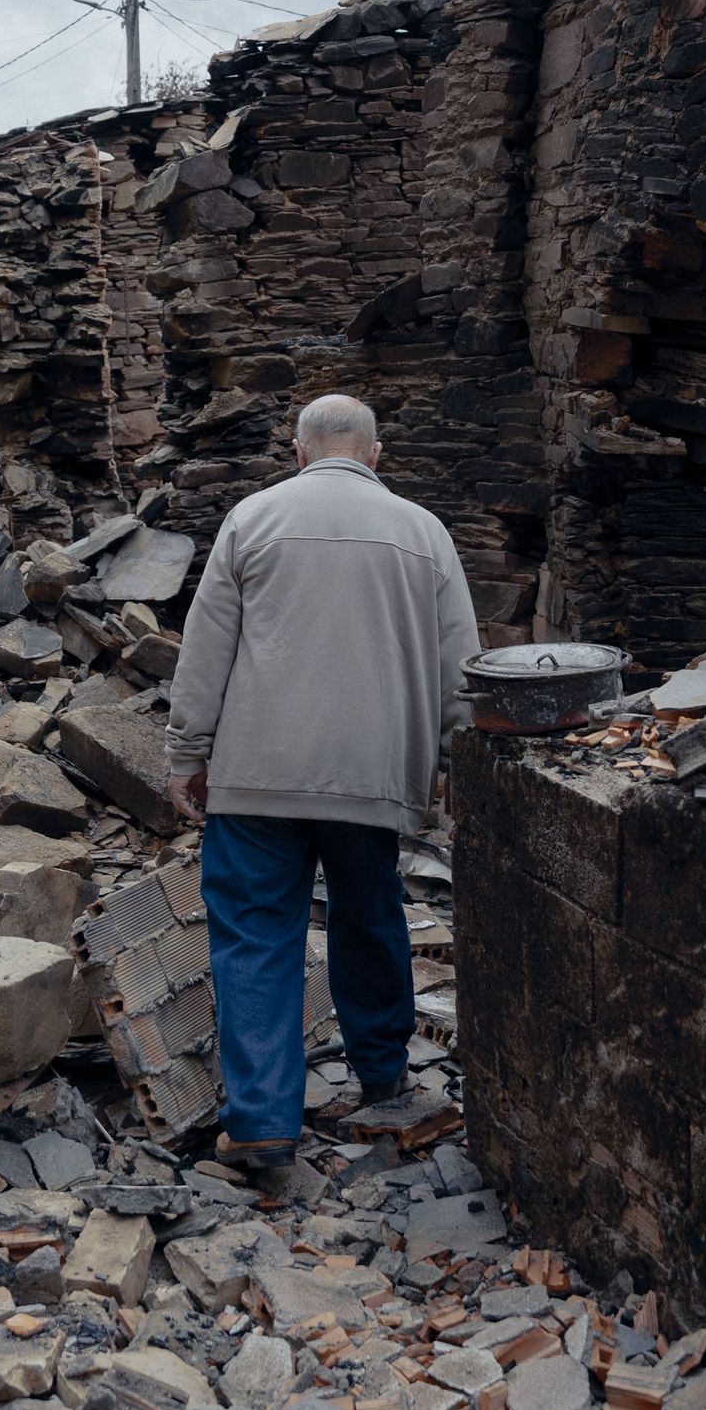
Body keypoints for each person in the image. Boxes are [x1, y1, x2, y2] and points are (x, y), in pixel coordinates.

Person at [165, 393, 481, 1190]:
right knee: (371, 914)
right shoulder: (424, 533)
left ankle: (263, 1126)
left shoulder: (252, 519)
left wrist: (186, 754)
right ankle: (383, 1079)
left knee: (255, 935)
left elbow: (205, 650)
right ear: (376, 455)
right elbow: (461, 667)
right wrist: (460, 766)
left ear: (297, 450)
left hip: (258, 770)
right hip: (372, 773)